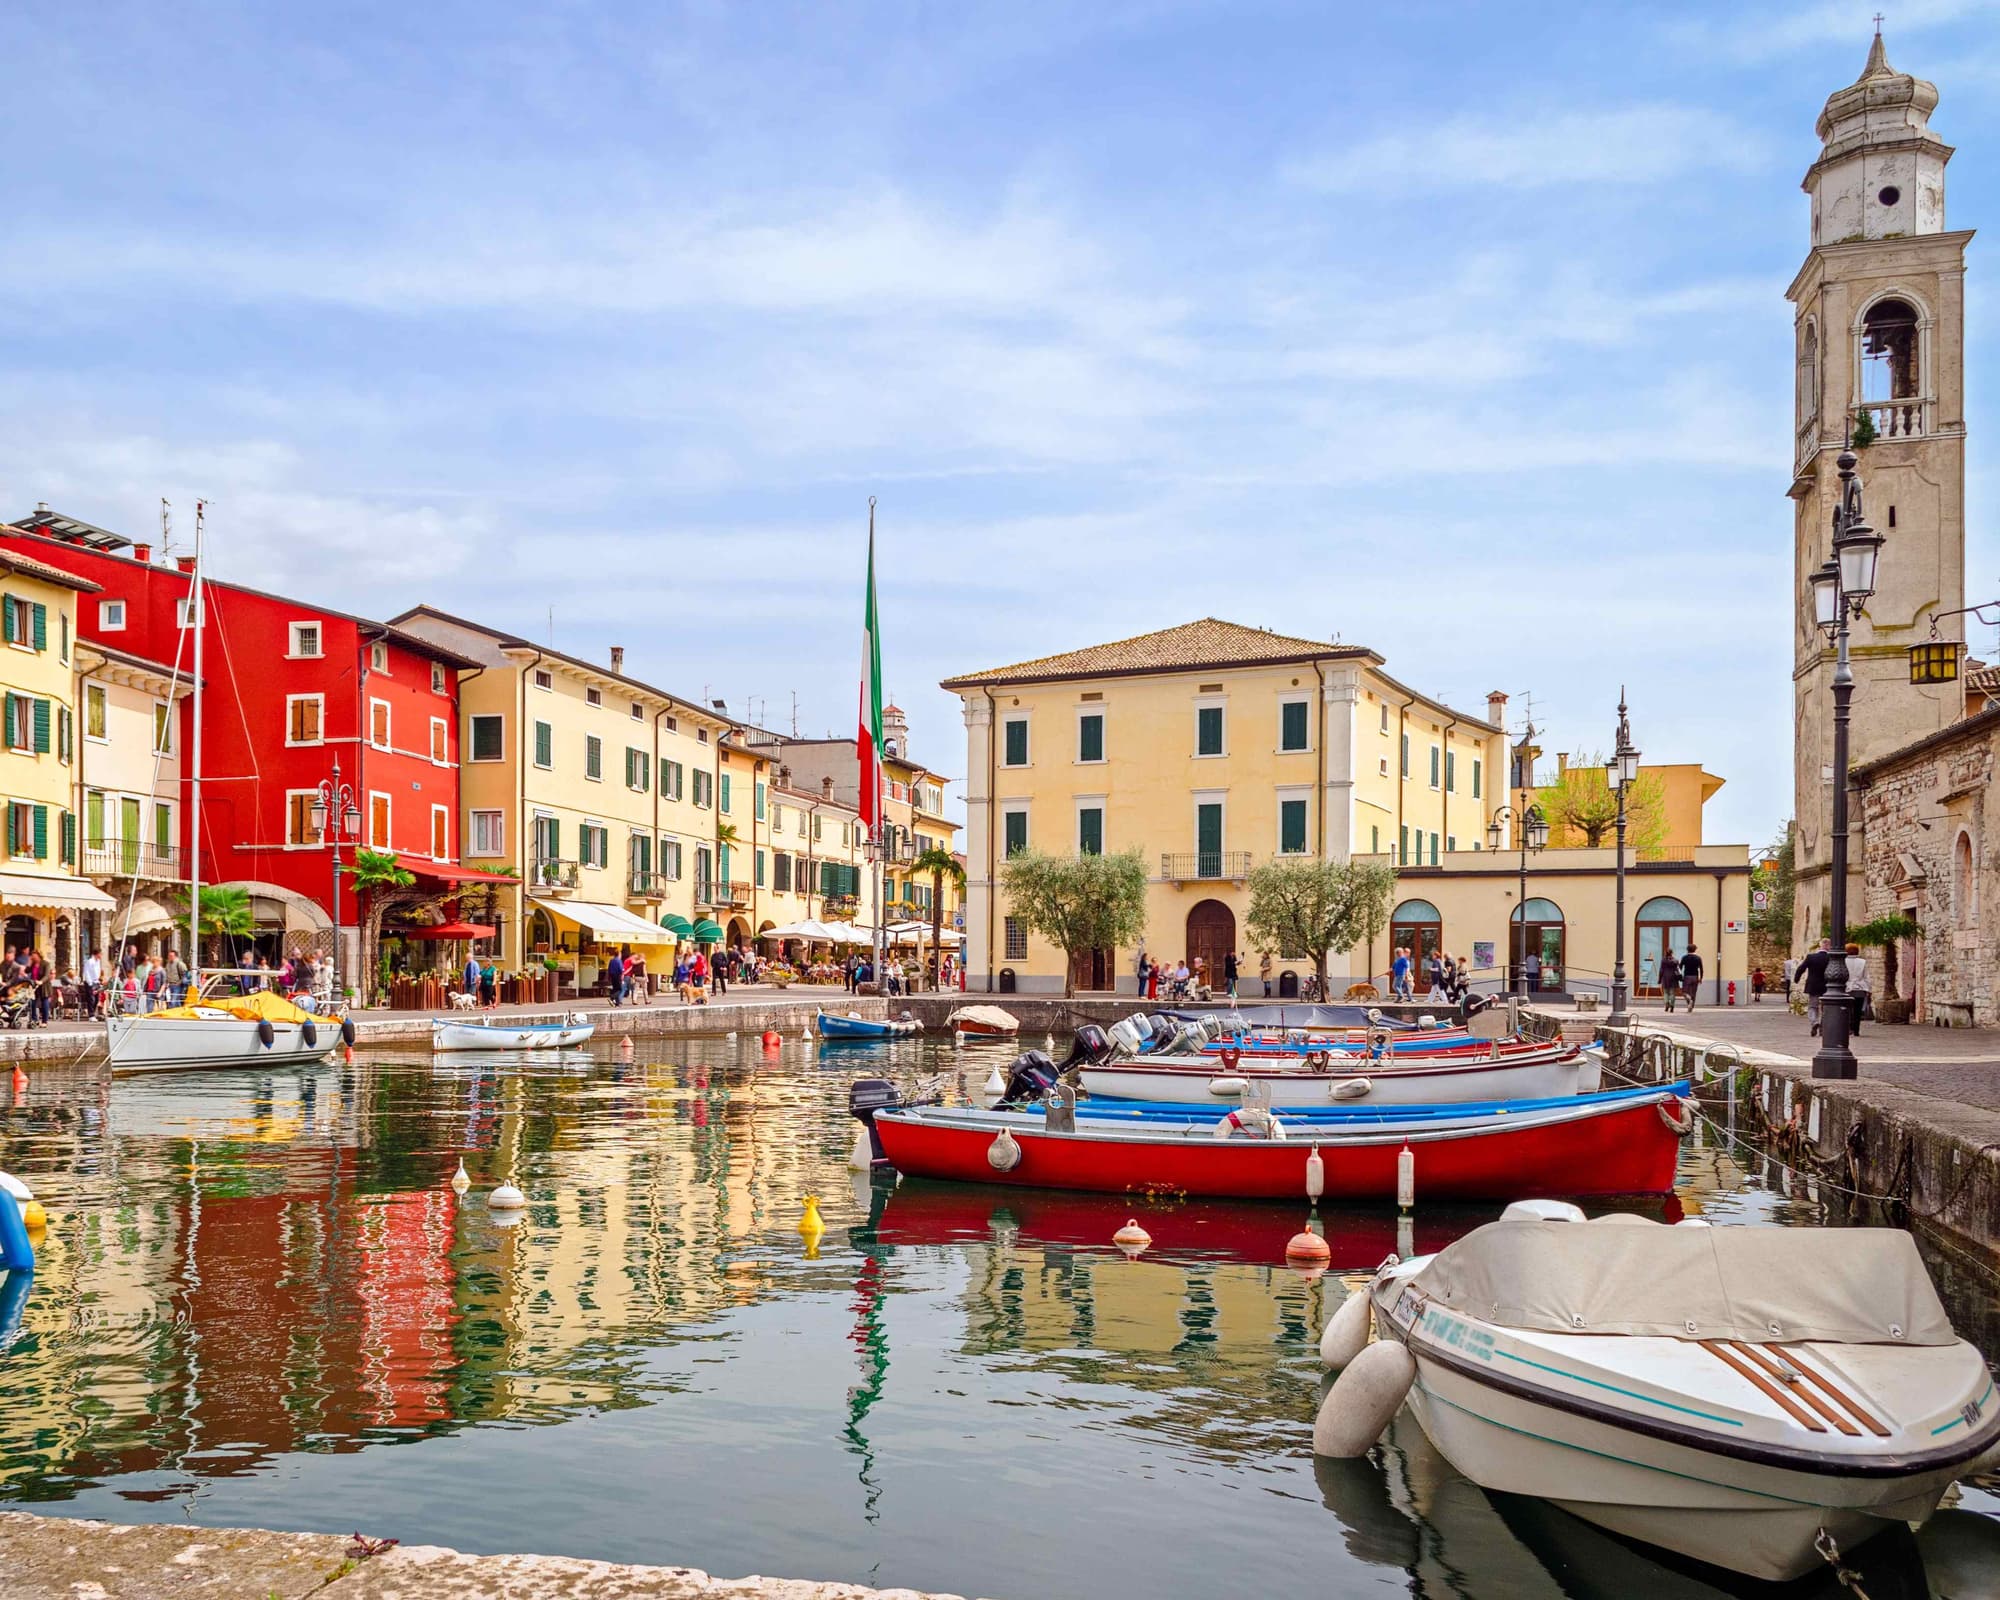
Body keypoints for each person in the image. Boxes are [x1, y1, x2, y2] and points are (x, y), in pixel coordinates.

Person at [1801, 937, 1834, 1034]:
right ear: (1829, 946)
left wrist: (1796, 978)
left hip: (1813, 985)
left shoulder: (1811, 957)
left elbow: (1801, 968)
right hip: (1827, 986)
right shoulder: (1832, 958)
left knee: (1812, 1006)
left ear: (1820, 945)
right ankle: (1823, 1028)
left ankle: (1814, 1022)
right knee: (1826, 1008)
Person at [1846, 942, 1870, 1036]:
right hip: (1860, 988)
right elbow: (1866, 977)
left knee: (1847, 1010)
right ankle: (1856, 1030)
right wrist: (1868, 990)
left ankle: (1849, 1028)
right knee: (1858, 1011)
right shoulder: (1862, 962)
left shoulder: (1843, 961)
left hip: (1847, 988)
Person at [81, 946, 102, 1020]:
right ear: (97, 954)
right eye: (100, 954)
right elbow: (86, 972)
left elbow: (98, 971)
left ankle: (93, 1013)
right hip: (90, 982)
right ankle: (91, 1015)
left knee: (96, 999)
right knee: (91, 999)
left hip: (96, 981)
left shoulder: (98, 961)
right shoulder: (90, 961)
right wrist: (90, 983)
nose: (101, 955)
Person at [1657, 948, 1681, 1013]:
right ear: (1672, 953)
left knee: (1666, 992)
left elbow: (1661, 970)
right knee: (1672, 993)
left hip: (1665, 977)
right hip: (1673, 977)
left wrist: (1659, 979)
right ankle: (1672, 1006)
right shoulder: (1675, 960)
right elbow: (1679, 969)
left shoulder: (1663, 960)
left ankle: (1667, 1003)